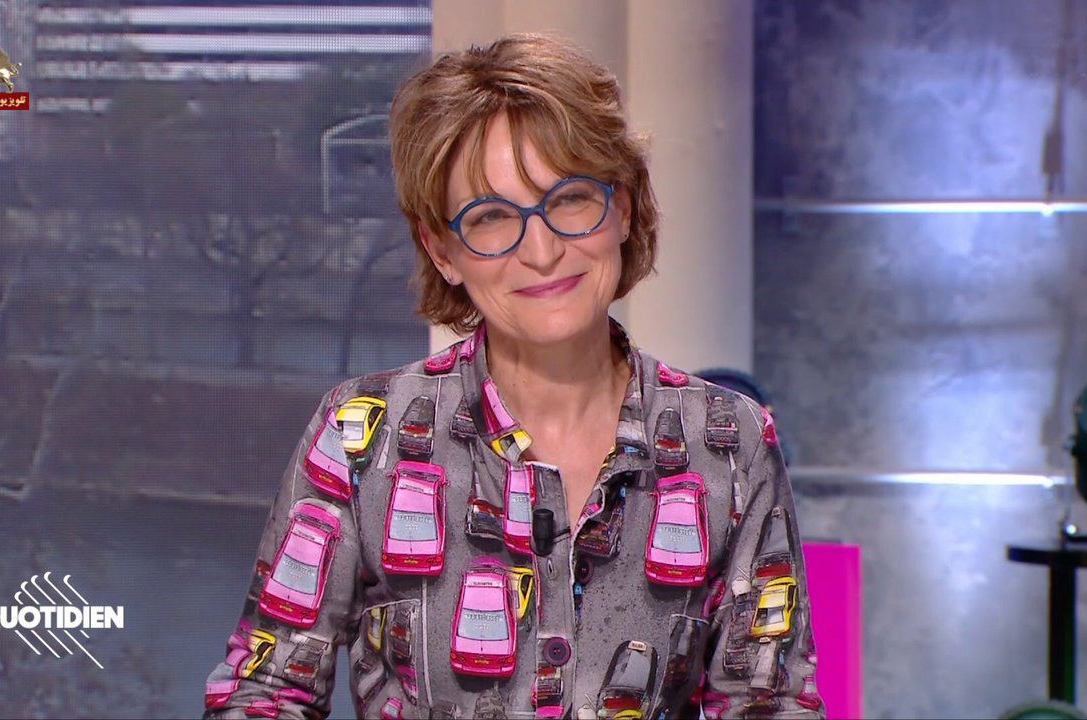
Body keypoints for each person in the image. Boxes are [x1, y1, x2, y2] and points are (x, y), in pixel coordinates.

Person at [203, 33, 823, 720]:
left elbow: (768, 701)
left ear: (621, 208)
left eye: (571, 199)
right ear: (442, 249)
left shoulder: (729, 440)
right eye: (492, 217)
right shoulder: (360, 436)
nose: (542, 249)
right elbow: (264, 692)